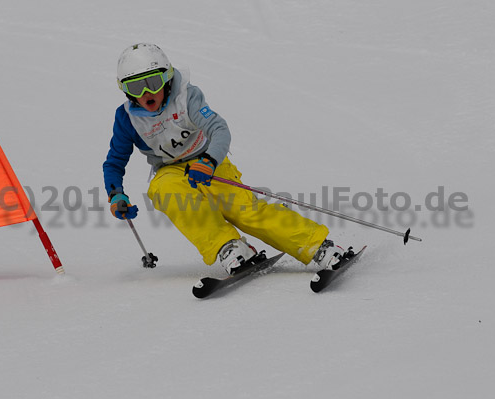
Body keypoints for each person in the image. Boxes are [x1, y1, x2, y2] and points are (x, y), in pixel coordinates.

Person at [103, 43, 346, 274]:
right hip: (171, 171)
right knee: (165, 190)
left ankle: (317, 245)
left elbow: (219, 129)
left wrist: (209, 161)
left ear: (166, 78)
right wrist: (116, 194)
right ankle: (228, 247)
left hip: (209, 161)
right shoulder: (127, 118)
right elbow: (115, 161)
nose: (146, 93)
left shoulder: (186, 97)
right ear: (125, 90)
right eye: (136, 88)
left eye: (152, 82)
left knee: (245, 212)